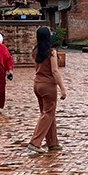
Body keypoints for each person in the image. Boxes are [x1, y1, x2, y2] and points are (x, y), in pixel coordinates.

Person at [27, 25, 66, 154]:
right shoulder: (51, 52)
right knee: (48, 114)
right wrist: (62, 88)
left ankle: (53, 142)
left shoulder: (36, 51)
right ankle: (35, 142)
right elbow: (55, 71)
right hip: (48, 85)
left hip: (37, 84)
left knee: (48, 113)